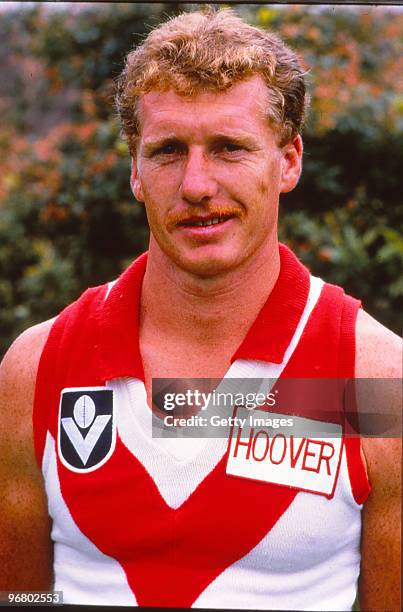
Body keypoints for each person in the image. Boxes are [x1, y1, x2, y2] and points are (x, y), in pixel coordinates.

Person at [0, 8, 401, 611]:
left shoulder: (376, 379)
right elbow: (20, 598)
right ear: (135, 170)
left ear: (288, 160)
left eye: (228, 148)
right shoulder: (35, 369)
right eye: (166, 151)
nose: (195, 184)